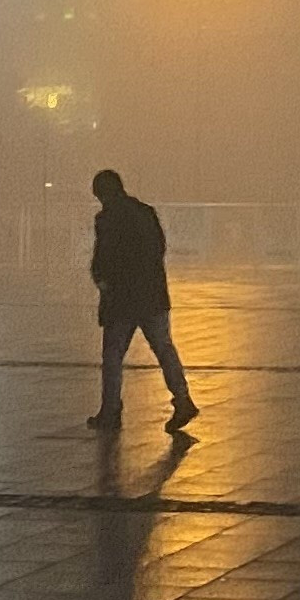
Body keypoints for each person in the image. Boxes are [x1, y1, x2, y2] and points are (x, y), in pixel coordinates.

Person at [86, 168, 198, 433]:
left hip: (122, 299)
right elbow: (160, 247)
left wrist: (102, 279)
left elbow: (105, 257)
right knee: (164, 348)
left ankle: (111, 410)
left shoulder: (107, 218)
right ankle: (183, 399)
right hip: (153, 294)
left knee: (113, 356)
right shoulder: (146, 212)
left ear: (103, 193)